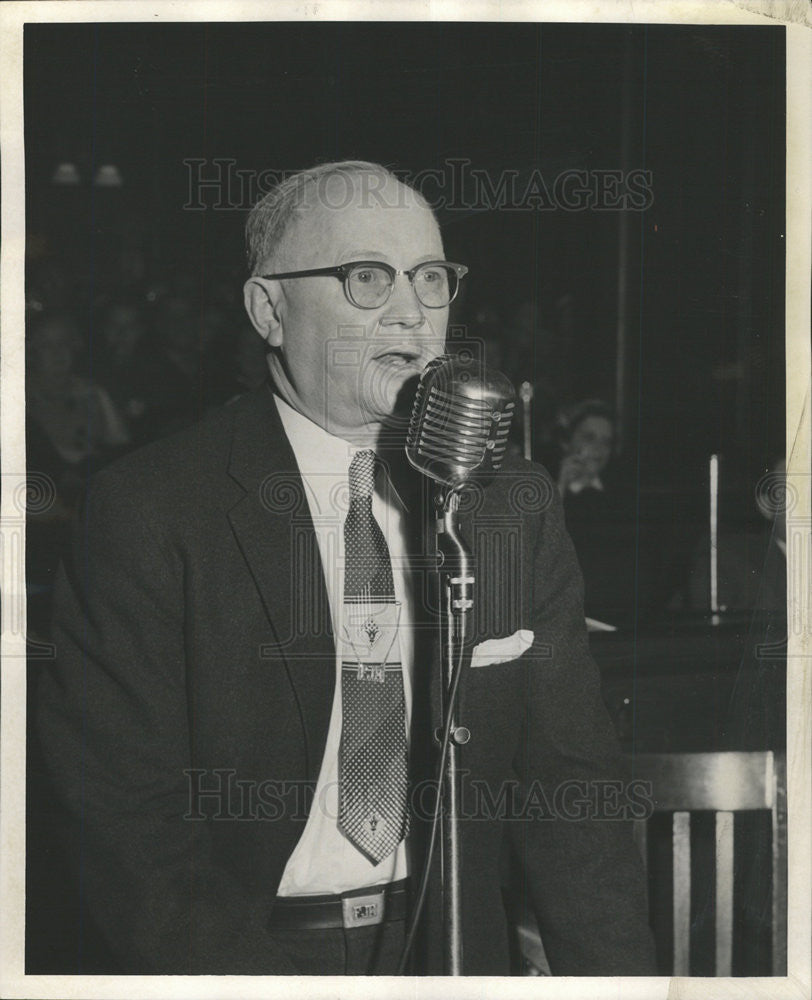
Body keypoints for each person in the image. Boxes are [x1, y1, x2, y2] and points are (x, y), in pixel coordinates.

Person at [37, 161, 655, 976]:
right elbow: (130, 843)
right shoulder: (150, 511)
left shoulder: (507, 504)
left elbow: (573, 801)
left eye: (431, 279)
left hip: (451, 951)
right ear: (269, 309)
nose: (411, 311)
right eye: (367, 278)